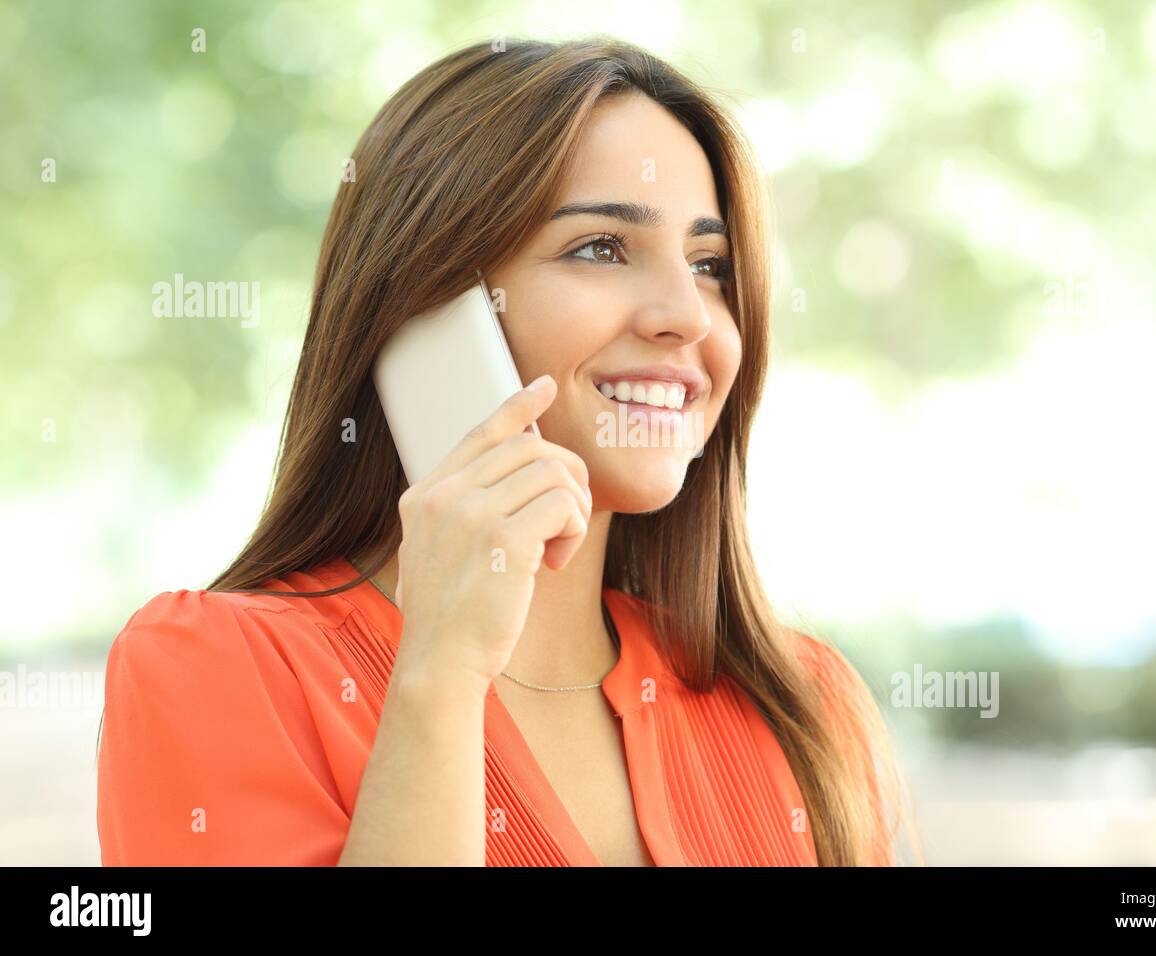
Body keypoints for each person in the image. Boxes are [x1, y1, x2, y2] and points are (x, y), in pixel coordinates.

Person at [96, 36, 918, 866]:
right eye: (601, 248)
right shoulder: (218, 669)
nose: (690, 315)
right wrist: (440, 678)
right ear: (429, 314)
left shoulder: (800, 701)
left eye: (710, 265)